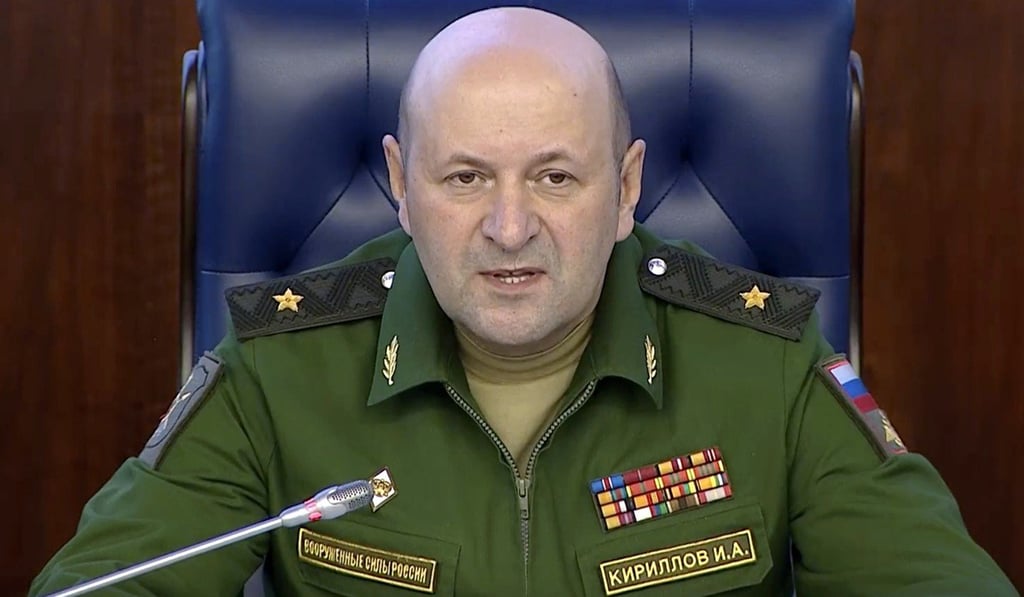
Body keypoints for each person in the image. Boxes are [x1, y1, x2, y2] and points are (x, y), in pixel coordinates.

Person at [31, 6, 1016, 596]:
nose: (509, 228)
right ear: (400, 185)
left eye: (555, 177)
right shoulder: (280, 366)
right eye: (465, 178)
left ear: (626, 188)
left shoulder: (766, 359)